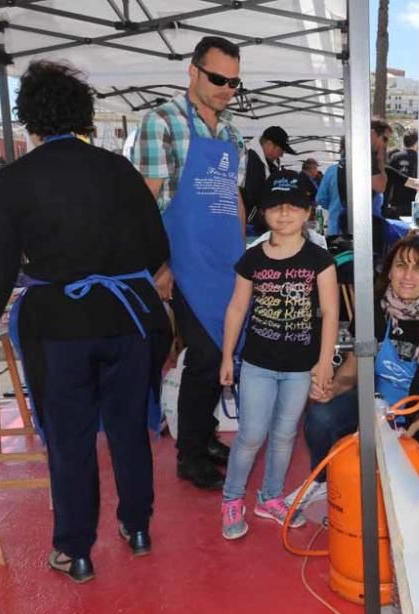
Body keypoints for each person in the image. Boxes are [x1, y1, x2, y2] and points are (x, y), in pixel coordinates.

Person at [0, 61, 171, 583]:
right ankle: (137, 528)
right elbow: (156, 249)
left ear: (29, 119)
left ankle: (76, 550)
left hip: (58, 328)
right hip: (127, 319)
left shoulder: (15, 180)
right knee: (131, 428)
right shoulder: (119, 171)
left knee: (70, 439)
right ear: (83, 114)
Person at [131, 36, 248, 490]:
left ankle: (203, 435)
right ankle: (189, 455)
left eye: (234, 83)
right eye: (218, 78)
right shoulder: (161, 123)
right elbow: (145, 204)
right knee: (201, 354)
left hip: (224, 260)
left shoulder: (232, 133)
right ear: (193, 72)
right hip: (181, 261)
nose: (226, 89)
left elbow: (232, 199)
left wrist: (243, 260)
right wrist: (161, 265)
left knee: (225, 351)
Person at [287, 235, 419, 520]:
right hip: (375, 405)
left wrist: (408, 432)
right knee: (321, 417)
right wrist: (332, 389)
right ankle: (328, 482)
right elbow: (351, 371)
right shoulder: (375, 309)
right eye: (401, 265)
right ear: (389, 271)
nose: (408, 275)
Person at [218, 170, 339, 539]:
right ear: (264, 213)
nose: (283, 214)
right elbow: (237, 309)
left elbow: (331, 312)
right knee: (251, 435)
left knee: (286, 434)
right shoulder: (252, 259)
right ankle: (232, 498)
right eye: (275, 207)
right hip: (257, 365)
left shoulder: (320, 260)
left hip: (301, 368)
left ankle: (270, 497)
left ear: (307, 213)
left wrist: (323, 363)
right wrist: (227, 357)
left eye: (293, 207)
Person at [243, 125, 295, 234]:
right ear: (269, 144)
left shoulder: (269, 164)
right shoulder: (250, 160)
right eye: (280, 150)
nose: (281, 155)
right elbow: (253, 196)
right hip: (250, 225)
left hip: (260, 223)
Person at [385, 130, 418, 218]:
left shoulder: (395, 157)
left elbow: (388, 177)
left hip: (396, 202)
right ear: (416, 143)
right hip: (415, 202)